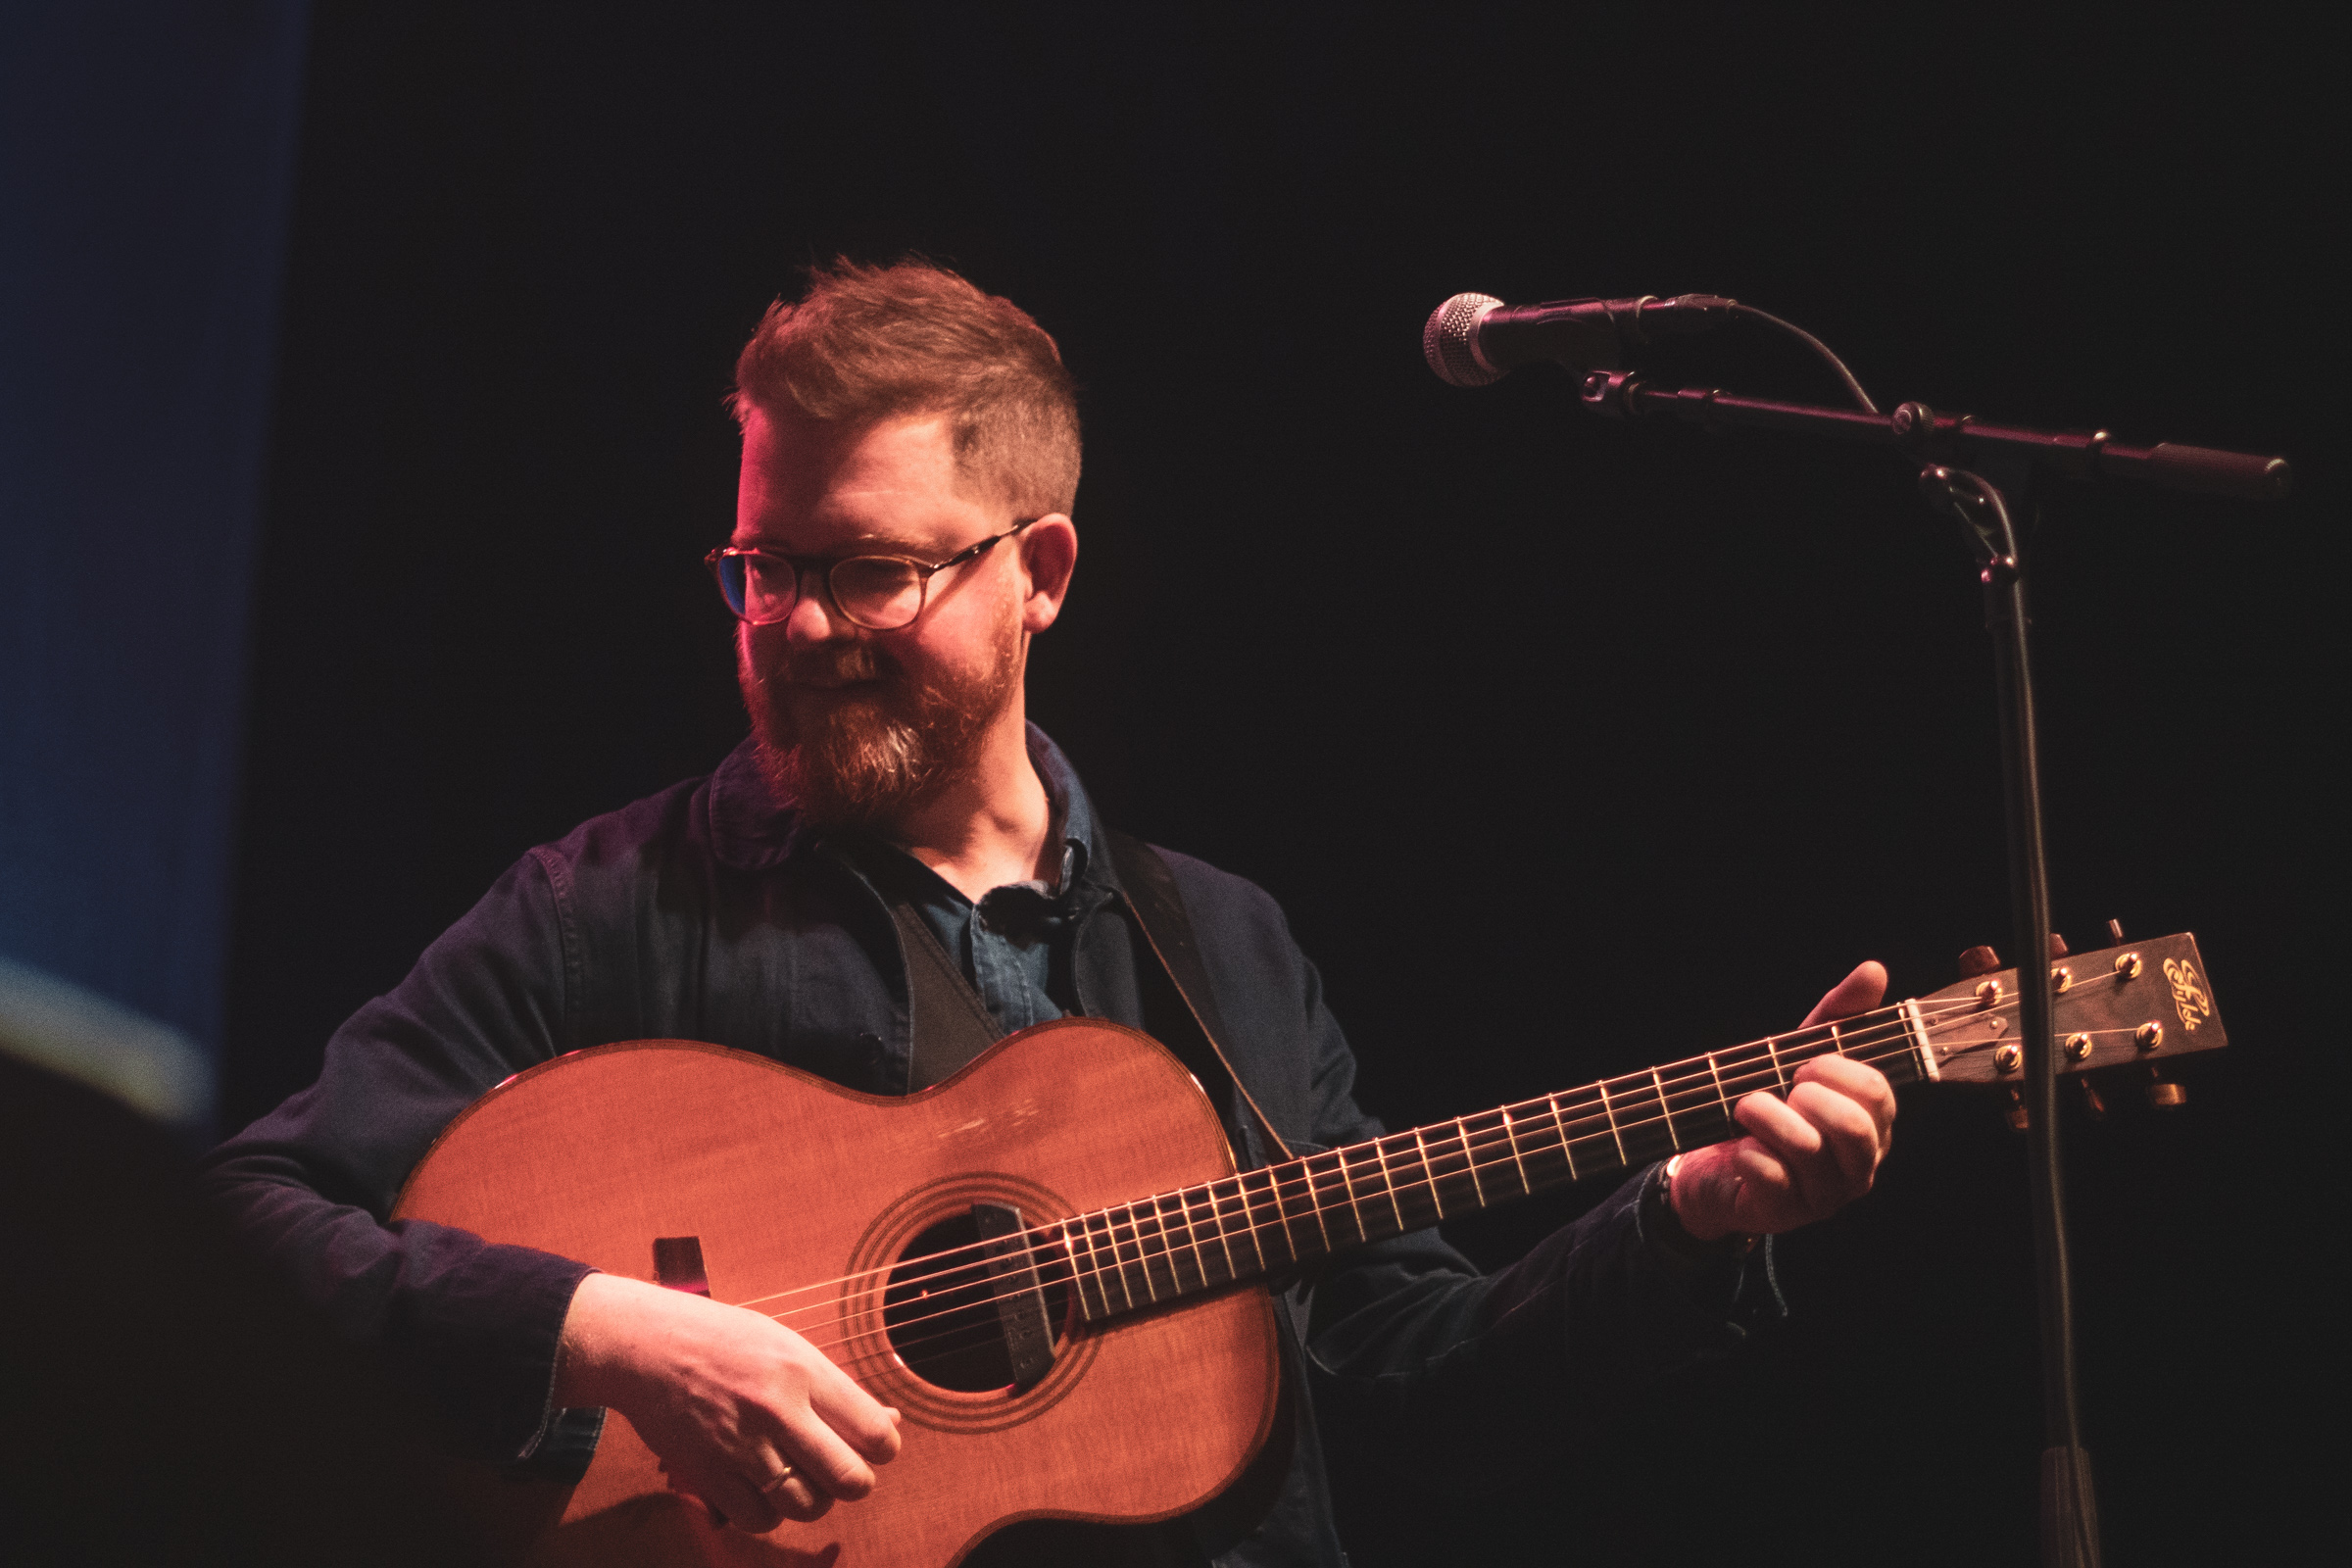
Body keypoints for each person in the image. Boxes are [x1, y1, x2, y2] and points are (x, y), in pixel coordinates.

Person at [202, 259, 1896, 1566]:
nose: (799, 628)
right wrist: (598, 1332)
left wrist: (1688, 1219)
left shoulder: (1220, 947)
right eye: (762, 567)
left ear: (1045, 574)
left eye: (869, 570)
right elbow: (245, 1228)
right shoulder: (605, 909)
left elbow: (1409, 1376)